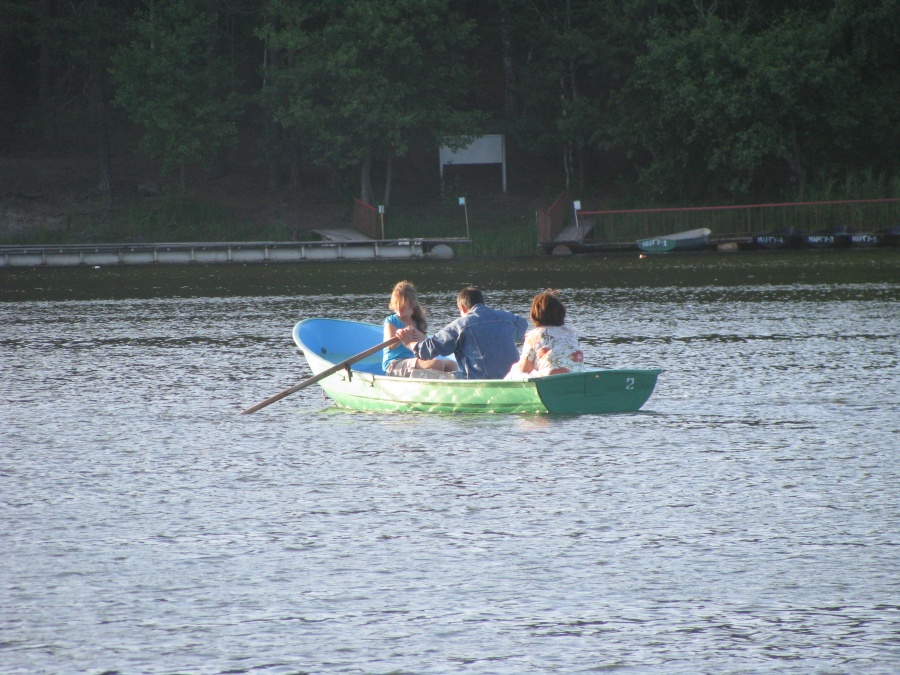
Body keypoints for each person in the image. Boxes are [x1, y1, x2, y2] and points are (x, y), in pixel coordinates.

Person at [396, 286, 528, 379]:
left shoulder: (460, 325)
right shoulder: (508, 318)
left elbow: (426, 350)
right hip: (512, 378)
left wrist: (408, 342)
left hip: (479, 381)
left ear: (463, 307)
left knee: (422, 374)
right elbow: (523, 326)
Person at [382, 281, 458, 377]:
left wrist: (421, 336)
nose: (398, 307)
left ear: (411, 303)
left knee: (452, 365)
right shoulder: (391, 321)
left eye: (402, 304)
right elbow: (390, 346)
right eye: (396, 303)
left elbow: (428, 345)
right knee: (437, 364)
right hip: (394, 364)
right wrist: (400, 336)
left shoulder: (417, 321)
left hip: (413, 361)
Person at [505, 289, 584, 378]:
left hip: (548, 382)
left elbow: (525, 368)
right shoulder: (571, 332)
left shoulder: (533, 336)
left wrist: (514, 367)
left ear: (535, 314)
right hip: (576, 378)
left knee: (514, 373)